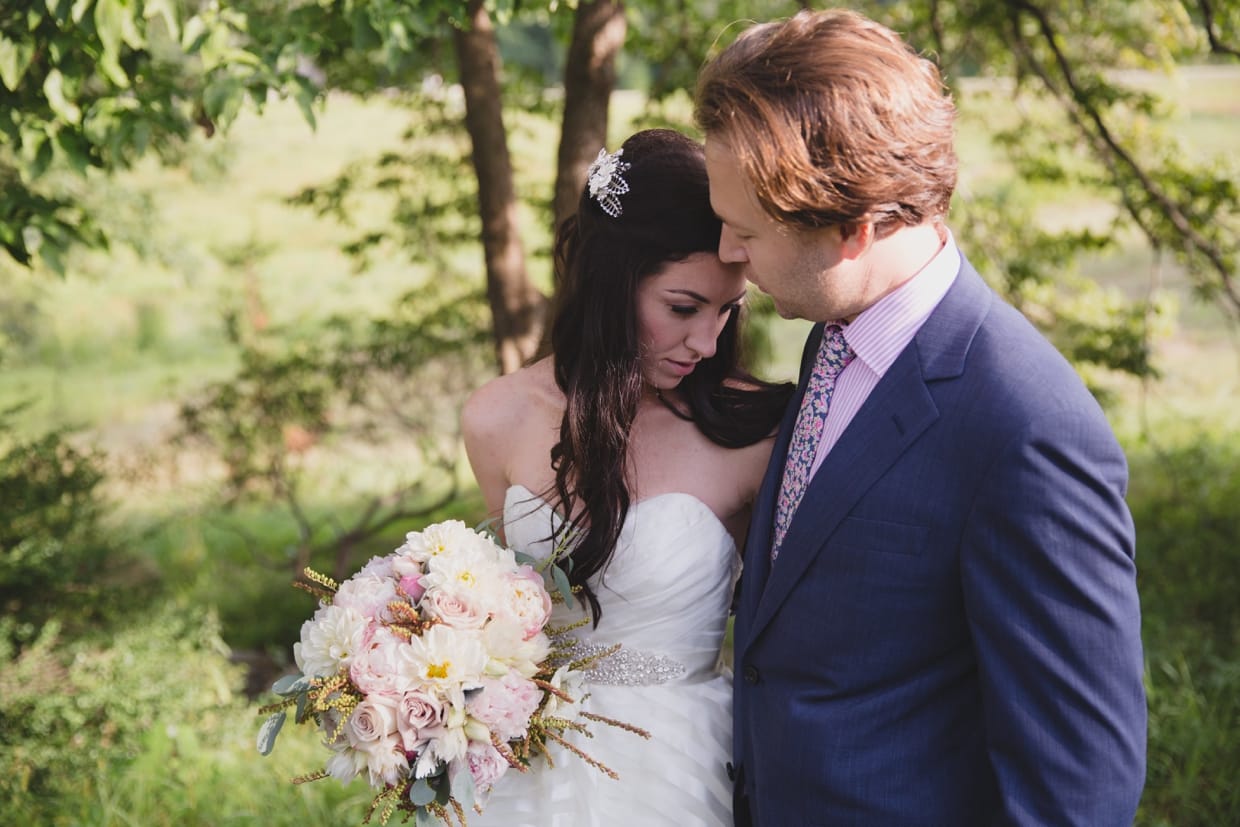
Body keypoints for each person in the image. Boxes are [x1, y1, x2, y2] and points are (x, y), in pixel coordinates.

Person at [694, 9, 1147, 827]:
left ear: (852, 228)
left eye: (746, 231)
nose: (728, 253)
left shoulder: (1024, 427)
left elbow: (1078, 786)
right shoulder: (833, 332)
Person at [462, 127, 793, 826]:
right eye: (683, 308)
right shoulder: (496, 419)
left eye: (728, 310)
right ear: (614, 285)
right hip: (523, 771)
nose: (705, 343)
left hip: (678, 770)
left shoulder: (756, 434)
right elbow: (506, 620)